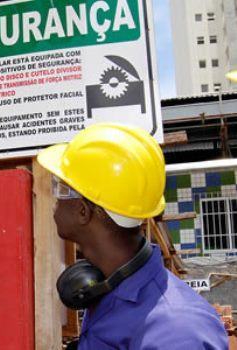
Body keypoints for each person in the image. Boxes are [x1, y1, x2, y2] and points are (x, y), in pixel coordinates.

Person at [37, 123, 228, 349]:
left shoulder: (176, 331)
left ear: (82, 211)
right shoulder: (110, 289)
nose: (55, 199)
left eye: (61, 188)